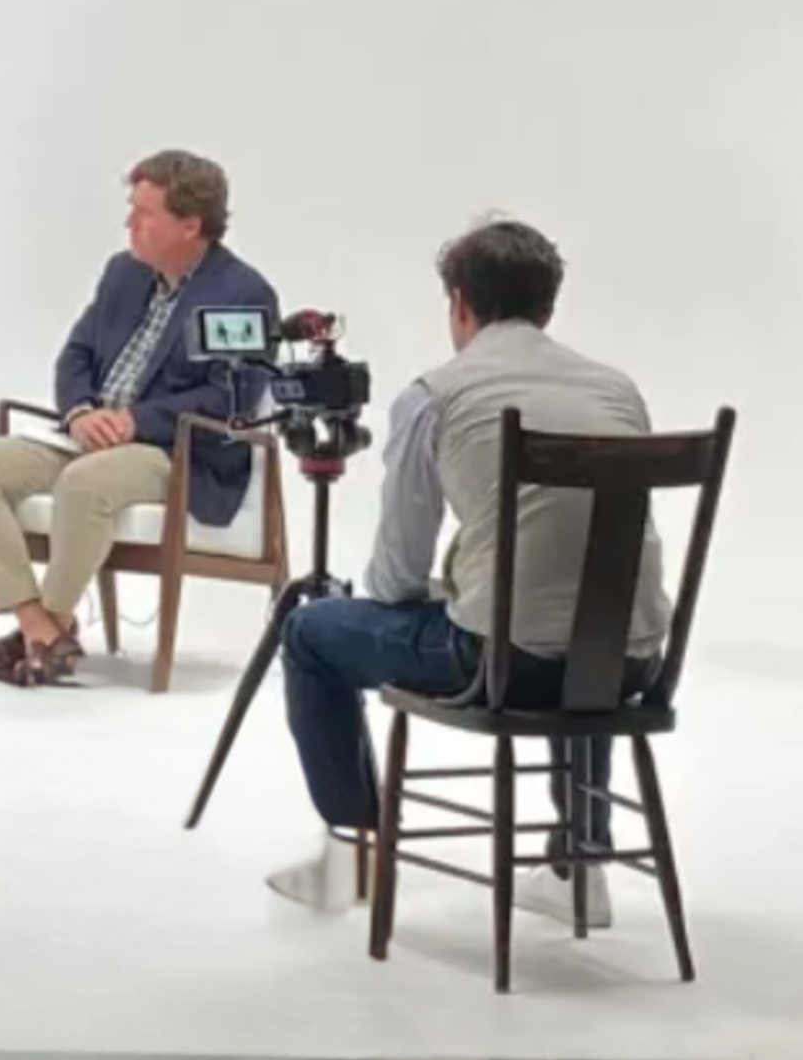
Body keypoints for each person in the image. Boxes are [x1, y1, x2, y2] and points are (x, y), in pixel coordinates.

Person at [266, 217, 663, 923]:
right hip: (633, 665)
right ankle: (582, 861)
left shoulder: (436, 394)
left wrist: (444, 594)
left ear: (458, 302)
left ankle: (351, 857)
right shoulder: (617, 391)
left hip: (503, 663)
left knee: (309, 634)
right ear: (549, 306)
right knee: (585, 630)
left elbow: (396, 575)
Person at [0, 150, 277, 688]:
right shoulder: (123, 273)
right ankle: (40, 629)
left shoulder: (243, 294)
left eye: (145, 214)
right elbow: (75, 356)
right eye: (131, 209)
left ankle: (49, 626)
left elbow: (231, 397)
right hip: (88, 435)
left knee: (84, 483)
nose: (129, 224)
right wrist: (78, 413)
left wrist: (135, 421)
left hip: (173, 451)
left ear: (190, 225)